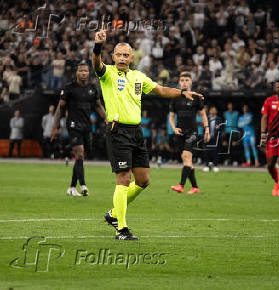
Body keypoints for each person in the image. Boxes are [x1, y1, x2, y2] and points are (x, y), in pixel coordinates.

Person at [92, 30, 202, 240]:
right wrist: (97, 47)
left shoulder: (138, 77)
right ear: (113, 57)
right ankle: (121, 229)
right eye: (119, 55)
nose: (123, 59)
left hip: (136, 132)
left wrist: (181, 92)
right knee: (123, 179)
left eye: (126, 55)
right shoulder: (107, 74)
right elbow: (96, 64)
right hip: (118, 131)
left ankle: (114, 214)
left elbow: (160, 90)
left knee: (143, 181)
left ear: (132, 58)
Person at [51, 61, 107, 197]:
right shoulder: (69, 88)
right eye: (81, 71)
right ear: (76, 73)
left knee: (80, 158)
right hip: (73, 125)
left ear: (89, 73)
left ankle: (71, 187)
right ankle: (83, 185)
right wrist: (54, 127)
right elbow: (60, 108)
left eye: (86, 71)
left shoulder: (93, 88)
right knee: (80, 153)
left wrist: (107, 118)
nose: (83, 73)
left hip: (87, 126)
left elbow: (98, 106)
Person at [170, 72, 210, 194]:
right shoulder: (175, 97)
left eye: (187, 80)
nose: (184, 82)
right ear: (179, 82)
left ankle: (181, 185)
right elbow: (171, 116)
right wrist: (174, 128)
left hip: (192, 132)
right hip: (180, 133)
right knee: (187, 161)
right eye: (182, 80)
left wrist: (207, 129)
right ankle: (195, 187)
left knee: (187, 158)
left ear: (191, 82)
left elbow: (203, 115)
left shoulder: (196, 97)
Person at [203, 106, 222, 172]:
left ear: (216, 111)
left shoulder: (219, 119)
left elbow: (222, 129)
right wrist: (205, 135)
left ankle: (215, 165)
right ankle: (206, 165)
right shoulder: (207, 118)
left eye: (214, 110)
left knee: (215, 152)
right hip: (207, 138)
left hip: (215, 138)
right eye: (212, 110)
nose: (213, 111)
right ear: (210, 111)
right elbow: (204, 128)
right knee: (206, 152)